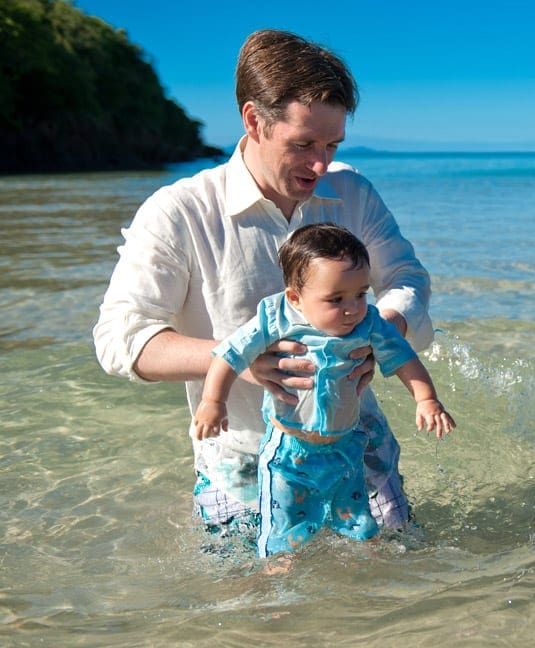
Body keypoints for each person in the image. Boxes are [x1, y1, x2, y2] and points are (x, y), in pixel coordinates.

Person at [93, 29, 432, 537]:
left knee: (402, 588)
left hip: (359, 445)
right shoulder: (179, 211)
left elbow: (407, 277)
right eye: (304, 144)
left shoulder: (353, 192)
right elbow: (120, 341)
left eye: (333, 144)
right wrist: (237, 358)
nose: (322, 164)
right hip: (239, 464)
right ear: (254, 120)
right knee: (249, 609)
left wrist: (380, 328)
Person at [193, 224, 454, 556]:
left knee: (362, 531)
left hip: (345, 450)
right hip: (290, 455)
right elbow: (228, 356)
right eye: (336, 299)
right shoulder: (274, 318)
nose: (353, 308)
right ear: (295, 298)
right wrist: (213, 401)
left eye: (361, 293)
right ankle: (280, 591)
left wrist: (426, 399)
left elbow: (404, 358)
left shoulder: (369, 324)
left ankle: (369, 594)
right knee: (282, 538)